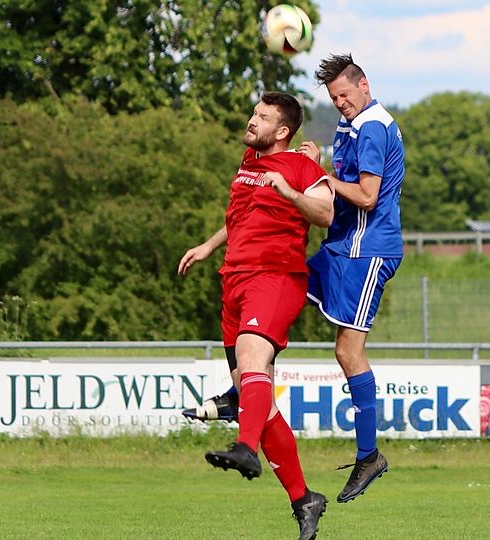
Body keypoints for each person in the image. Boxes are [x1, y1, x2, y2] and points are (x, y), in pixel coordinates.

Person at [178, 91, 334, 540]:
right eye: (254, 112)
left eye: (262, 117)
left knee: (251, 367)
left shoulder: (302, 168)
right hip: (235, 280)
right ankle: (304, 499)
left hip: (275, 276)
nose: (252, 120)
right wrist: (209, 245)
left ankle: (245, 448)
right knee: (256, 399)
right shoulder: (250, 161)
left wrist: (290, 190)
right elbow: (242, 216)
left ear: (283, 130)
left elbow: (325, 212)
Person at [293, 52, 404, 503]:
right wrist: (322, 167)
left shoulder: (373, 126)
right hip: (342, 246)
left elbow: (367, 195)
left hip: (367, 251)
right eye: (334, 97)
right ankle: (243, 388)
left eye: (345, 94)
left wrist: (319, 176)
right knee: (281, 288)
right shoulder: (352, 123)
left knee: (347, 351)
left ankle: (368, 456)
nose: (340, 103)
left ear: (364, 85)